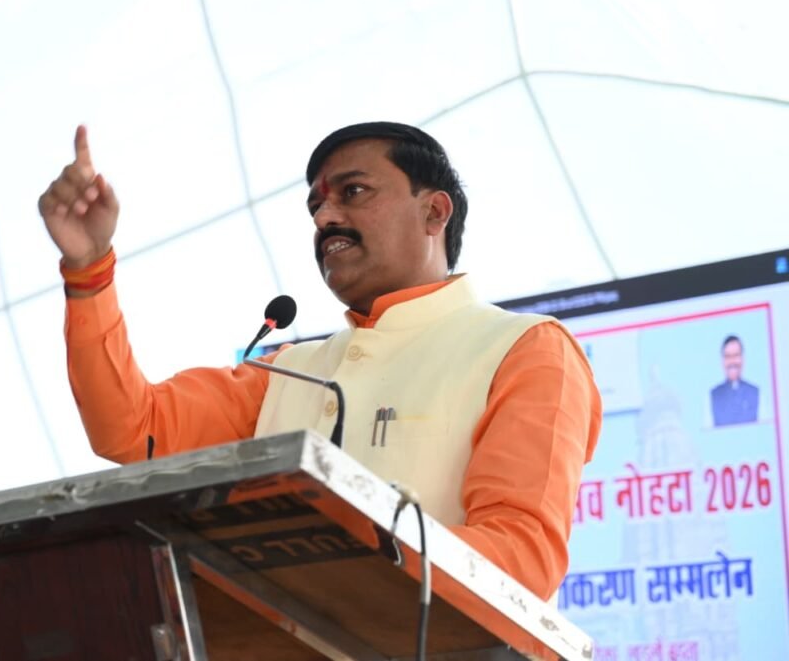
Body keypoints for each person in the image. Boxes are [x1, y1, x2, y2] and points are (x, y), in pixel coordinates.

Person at [38, 122, 602, 600]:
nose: (324, 216)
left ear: (434, 212)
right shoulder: (284, 371)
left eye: (353, 192)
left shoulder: (524, 349)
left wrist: (340, 557)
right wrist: (89, 268)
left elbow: (520, 559)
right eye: (316, 205)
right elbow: (131, 429)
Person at [710, 335, 760, 426]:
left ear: (742, 358)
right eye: (728, 356)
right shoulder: (712, 396)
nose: (732, 361)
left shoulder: (756, 393)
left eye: (736, 355)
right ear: (722, 360)